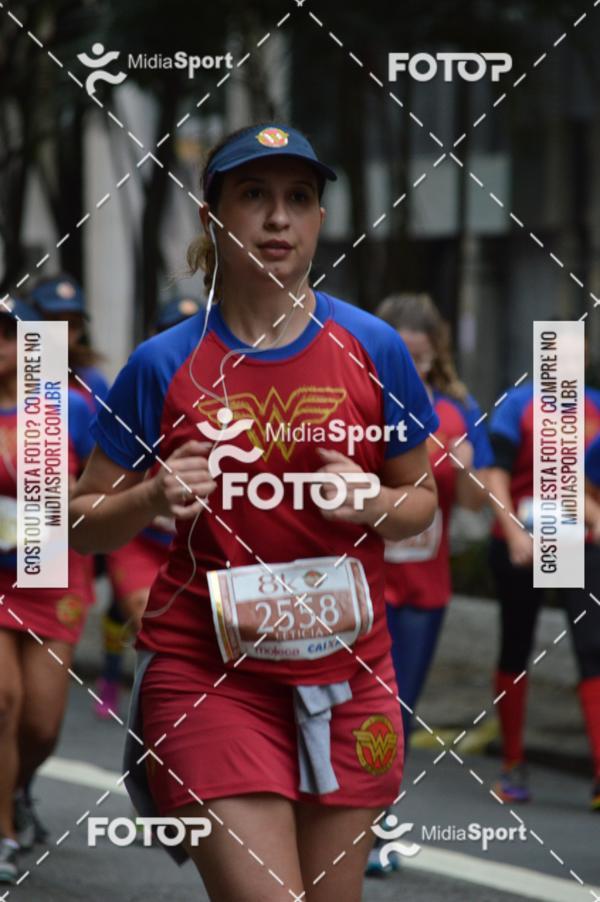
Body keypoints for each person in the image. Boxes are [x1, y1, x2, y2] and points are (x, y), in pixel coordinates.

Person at [69, 123, 440, 901]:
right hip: (208, 678)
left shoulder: (374, 349)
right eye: (254, 196)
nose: (278, 218)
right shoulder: (162, 363)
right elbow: (79, 518)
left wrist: (371, 501)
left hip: (350, 672)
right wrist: (149, 495)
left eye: (298, 199)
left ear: (318, 221)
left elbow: (423, 505)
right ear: (214, 217)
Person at [365, 292, 493, 876]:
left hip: (424, 591)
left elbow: (473, 503)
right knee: (350, 708)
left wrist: (464, 463)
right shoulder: (355, 403)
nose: (411, 370)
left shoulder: (455, 411)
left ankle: (376, 818)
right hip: (358, 585)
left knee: (399, 713)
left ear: (434, 356)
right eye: (402, 356)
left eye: (421, 359)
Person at [0, 297, 94, 884]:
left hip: (49, 573)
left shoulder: (72, 407)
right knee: (2, 703)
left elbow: (104, 490)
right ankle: (3, 836)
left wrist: (67, 493)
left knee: (40, 724)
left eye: (11, 335)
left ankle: (14, 789)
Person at [487, 377, 600, 808]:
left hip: (577, 538)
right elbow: (494, 471)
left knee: (592, 646)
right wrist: (514, 533)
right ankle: (512, 763)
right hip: (523, 537)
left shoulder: (593, 405)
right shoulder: (518, 404)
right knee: (516, 644)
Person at [97, 297, 202, 719]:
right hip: (140, 537)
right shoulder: (139, 384)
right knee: (140, 613)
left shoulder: (229, 387)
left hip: (193, 544)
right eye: (172, 331)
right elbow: (97, 477)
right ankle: (140, 695)